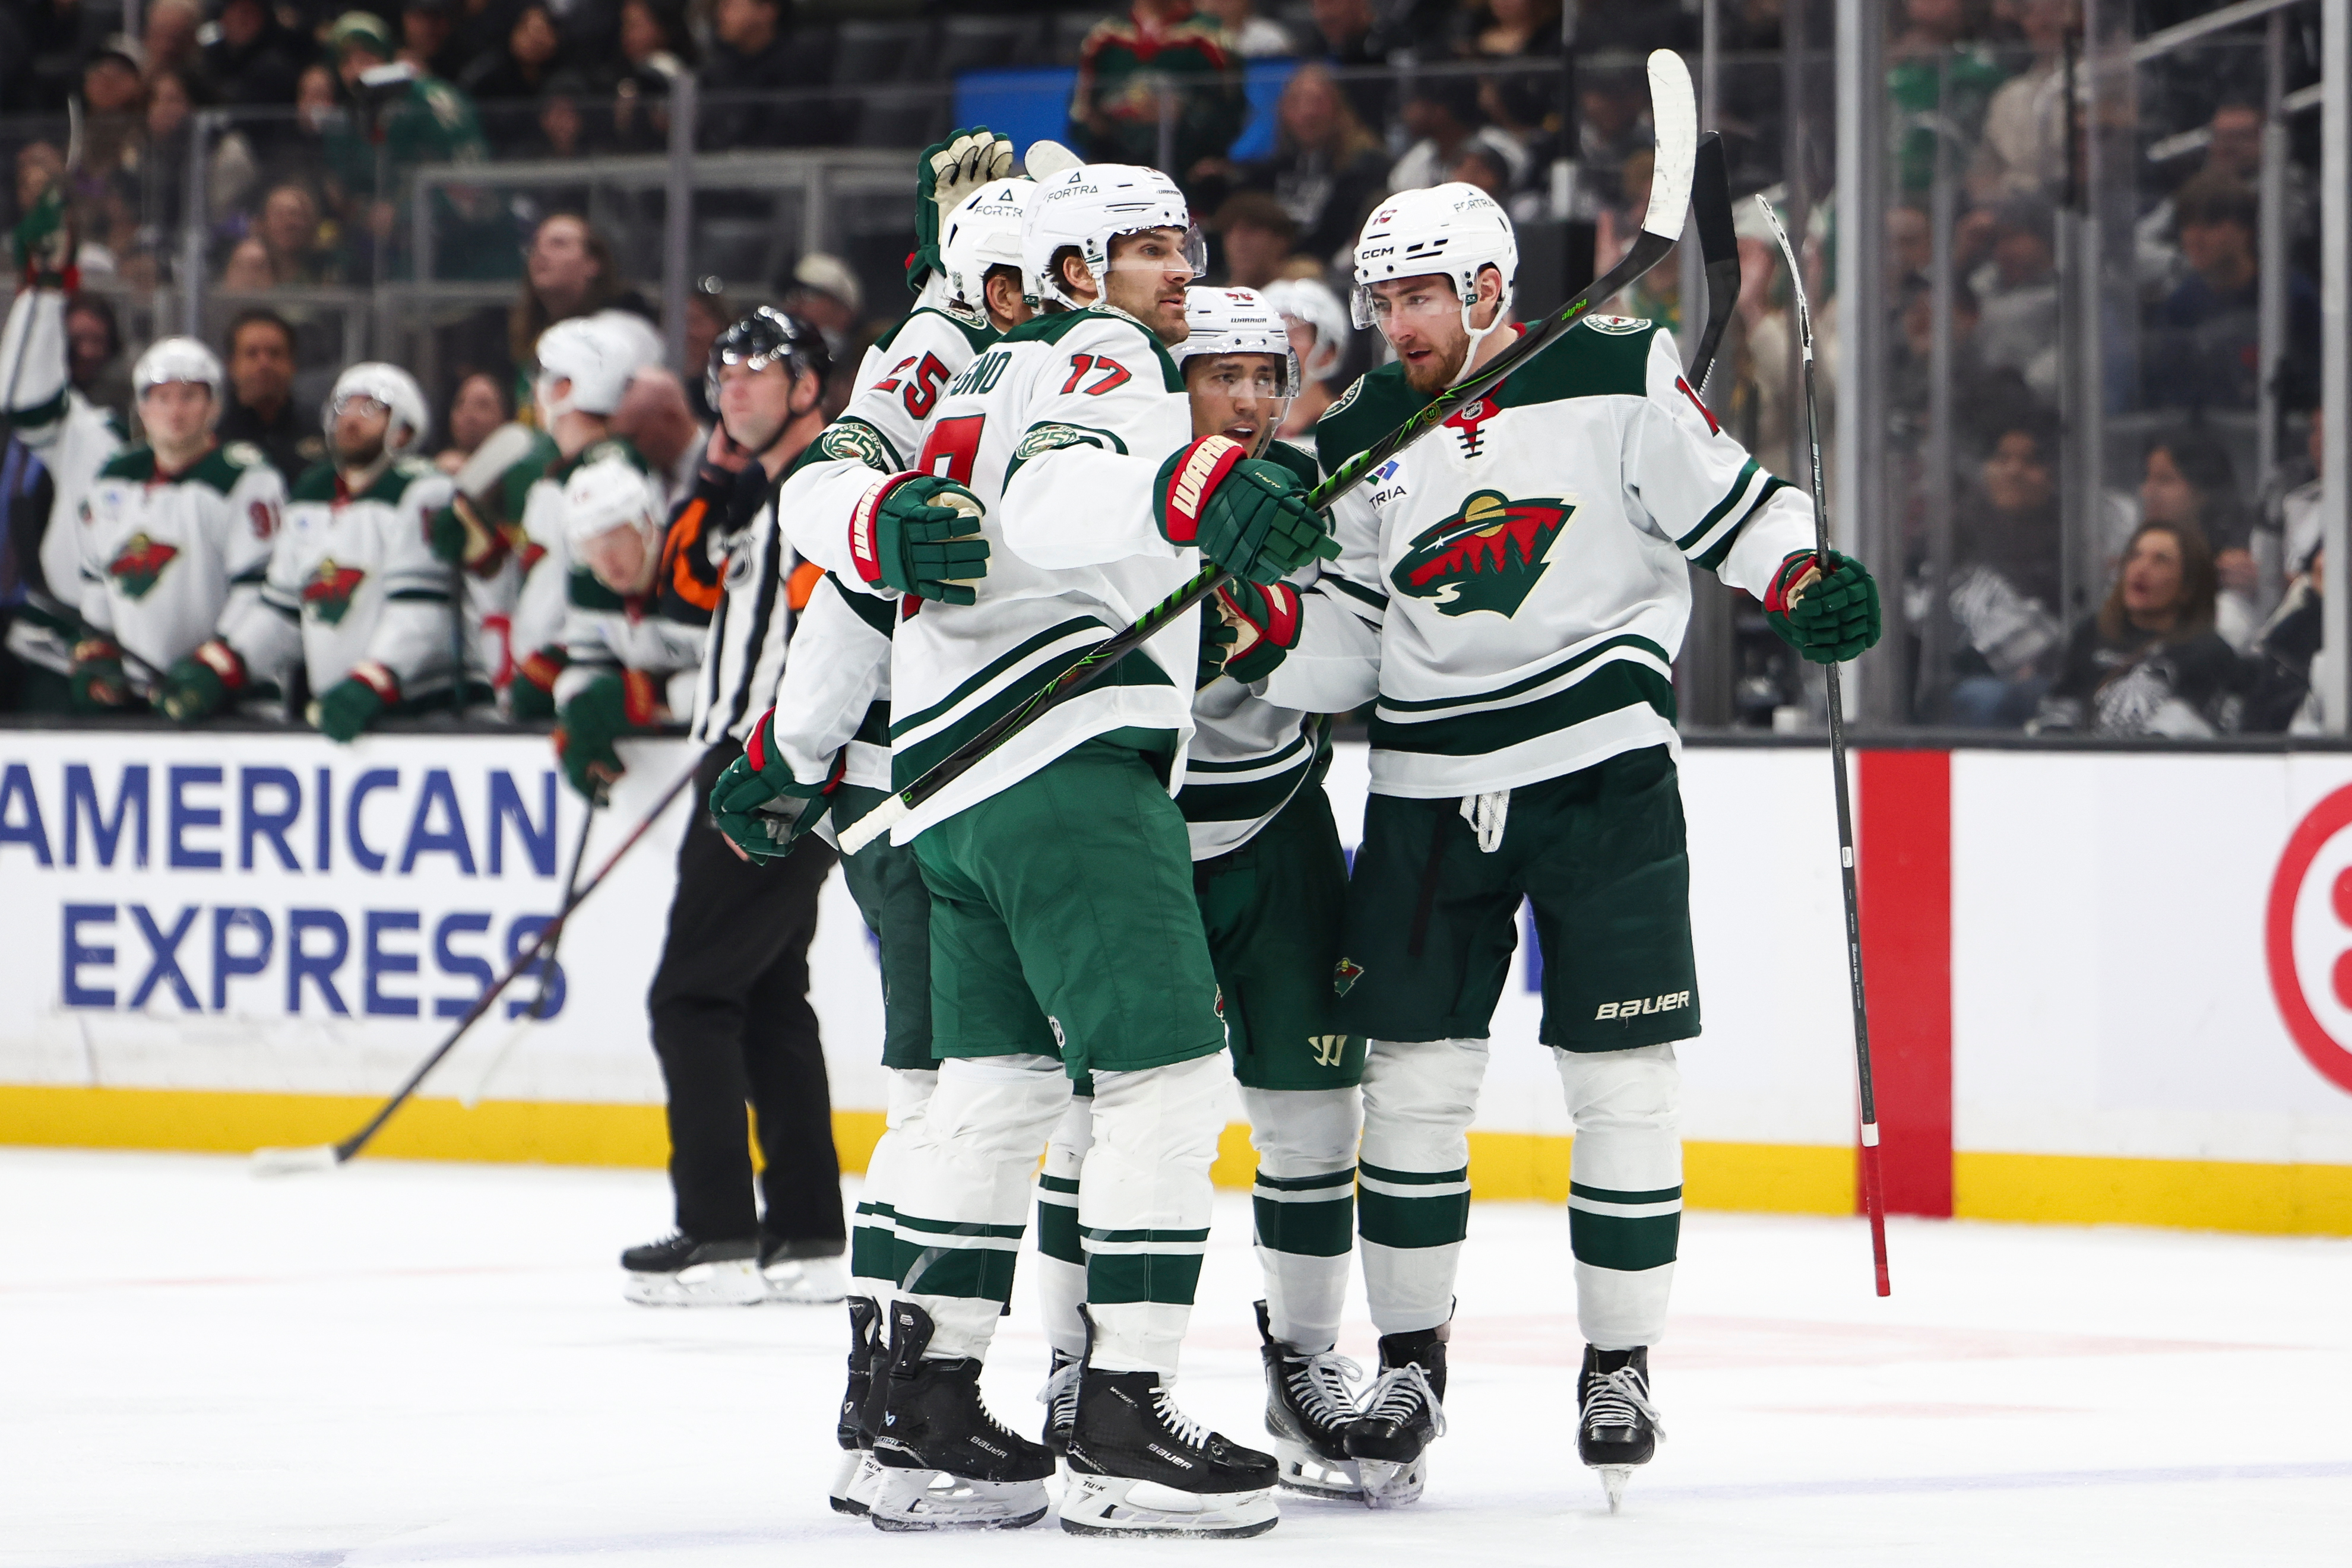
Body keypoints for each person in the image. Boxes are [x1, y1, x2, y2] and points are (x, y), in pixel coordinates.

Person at [1256, 183, 1878, 1509]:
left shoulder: (1613, 365)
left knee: (1623, 1078)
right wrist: (1255, 629)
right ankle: (1411, 1361)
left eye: (1421, 297)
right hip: (1427, 782)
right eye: (1383, 303)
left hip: (1601, 770)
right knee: (1413, 1085)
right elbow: (1349, 649)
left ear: (1489, 287)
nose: (1399, 325)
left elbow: (1739, 502)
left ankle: (1619, 1362)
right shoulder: (1360, 432)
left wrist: (1804, 574)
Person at [781, 161, 1336, 1537]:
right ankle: (1122, 1412)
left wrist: (795, 748)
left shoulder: (968, 375)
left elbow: (890, 549)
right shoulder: (1098, 353)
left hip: (952, 781)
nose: (1172, 271)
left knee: (993, 1091)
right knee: (1159, 1080)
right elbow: (1058, 507)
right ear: (1077, 266)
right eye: (1141, 248)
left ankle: (922, 1410)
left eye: (1178, 245)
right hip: (1063, 761)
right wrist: (1199, 482)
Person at [720, 144, 1033, 1512]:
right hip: (924, 775)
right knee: (965, 1087)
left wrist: (785, 755)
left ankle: (879, 1385)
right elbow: (850, 547)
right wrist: (791, 747)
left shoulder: (972, 351)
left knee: (939, 1084)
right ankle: (910, 1399)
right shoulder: (947, 356)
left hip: (891, 770)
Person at [1170, 284, 1368, 1498]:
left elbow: (1356, 650)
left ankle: (1303, 1363)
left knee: (1313, 1117)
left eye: (1266, 375)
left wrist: (1277, 629)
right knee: (1116, 1127)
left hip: (1284, 827)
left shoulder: (1311, 491)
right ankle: (1084, 1375)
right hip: (1140, 837)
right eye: (1219, 374)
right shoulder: (1113, 484)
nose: (1247, 398)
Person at [615, 308, 846, 1307]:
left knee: (690, 996)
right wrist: (711, 480)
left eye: (760, 369)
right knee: (762, 999)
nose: (733, 386)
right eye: (723, 371)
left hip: (771, 767)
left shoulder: (820, 489)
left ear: (808, 387)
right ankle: (803, 1235)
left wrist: (784, 765)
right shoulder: (757, 493)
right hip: (761, 761)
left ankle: (713, 1235)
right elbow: (677, 602)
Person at [159, 363, 476, 733]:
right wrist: (223, 663)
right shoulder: (312, 493)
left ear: (403, 432)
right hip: (339, 706)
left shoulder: (422, 492)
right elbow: (282, 612)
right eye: (345, 407)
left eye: (371, 409)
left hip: (416, 711)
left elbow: (422, 616)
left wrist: (373, 680)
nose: (351, 419)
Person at [65, 337, 289, 712]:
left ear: (213, 406)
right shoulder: (113, 479)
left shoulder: (246, 480)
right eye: (161, 398)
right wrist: (99, 650)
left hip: (233, 700)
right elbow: (97, 582)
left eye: (189, 397)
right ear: (142, 407)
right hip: (137, 700)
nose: (175, 411)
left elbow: (263, 593)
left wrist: (215, 667)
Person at [0, 192, 128, 709]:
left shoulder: (107, 428)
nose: (87, 350)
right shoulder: (59, 418)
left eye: (99, 340)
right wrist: (45, 289)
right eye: (74, 339)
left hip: (112, 645)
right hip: (49, 641)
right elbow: (24, 393)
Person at [2031, 521, 2245, 737]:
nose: (2141, 569)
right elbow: (2060, 709)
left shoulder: (2211, 651)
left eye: (2160, 560)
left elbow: (2187, 729)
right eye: (2135, 556)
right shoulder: (2091, 633)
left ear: (2189, 585)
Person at [2145, 173, 2318, 414]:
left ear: (2244, 230)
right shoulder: (2180, 305)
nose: (2194, 238)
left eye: (2209, 225)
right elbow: (2166, 397)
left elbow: (2316, 392)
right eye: (2187, 225)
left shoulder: (2292, 298)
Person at [1939, 410, 2065, 727]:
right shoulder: (1948, 541)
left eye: (2031, 461)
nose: (2014, 471)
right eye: (2001, 458)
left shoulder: (2076, 543)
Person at [1068, 0, 1249, 197]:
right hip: (1118, 177)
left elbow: (1230, 113)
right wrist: (1106, 121)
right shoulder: (1105, 38)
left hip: (1187, 176)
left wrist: (1181, 116)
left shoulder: (1210, 36)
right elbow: (1082, 114)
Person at [1232, 62, 1390, 270]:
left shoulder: (1364, 168)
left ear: (1339, 108)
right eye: (1296, 102)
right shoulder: (1271, 172)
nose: (1308, 112)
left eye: (1317, 101)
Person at [505, 213, 659, 421]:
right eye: (536, 245)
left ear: (593, 263)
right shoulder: (529, 339)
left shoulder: (621, 334)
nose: (541, 253)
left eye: (558, 244)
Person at [2139, 426, 2255, 648]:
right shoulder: (2135, 558)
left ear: (2203, 490)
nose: (2148, 491)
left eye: (2165, 480)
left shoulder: (2236, 564)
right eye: (2147, 478)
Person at [697, 0, 828, 151]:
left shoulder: (799, 68)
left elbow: (796, 134)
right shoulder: (717, 71)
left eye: (731, 5)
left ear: (767, 11)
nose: (721, 14)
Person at [215, 309, 319, 487]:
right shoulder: (213, 436)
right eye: (252, 354)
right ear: (231, 365)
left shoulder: (321, 431)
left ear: (293, 363)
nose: (264, 364)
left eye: (275, 353)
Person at [1263, 275, 1351, 439]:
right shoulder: (1243, 431)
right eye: (1268, 335)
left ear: (1328, 353)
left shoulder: (1350, 431)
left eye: (1294, 334)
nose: (1279, 345)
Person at [1211, 191, 1300, 289]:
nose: (1238, 242)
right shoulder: (1214, 299)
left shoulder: (1300, 293)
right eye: (1229, 232)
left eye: (1250, 231)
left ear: (1280, 241)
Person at [437, 372, 510, 474]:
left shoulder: (513, 472)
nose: (470, 416)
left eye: (483, 406)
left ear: (504, 418)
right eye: (461, 403)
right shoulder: (438, 470)